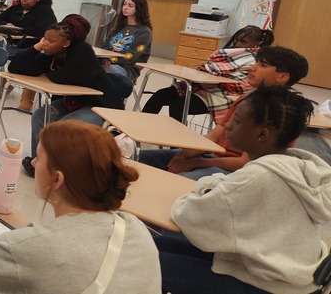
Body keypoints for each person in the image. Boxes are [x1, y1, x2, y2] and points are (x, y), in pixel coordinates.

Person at [0, 120, 161, 293]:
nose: (32, 163)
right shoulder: (136, 228)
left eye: (39, 159)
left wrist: (14, 243)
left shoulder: (35, 246)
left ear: (57, 179)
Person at [155, 86, 331, 294]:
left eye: (237, 121)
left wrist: (205, 188)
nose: (228, 125)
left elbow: (188, 215)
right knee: (155, 245)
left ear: (262, 134)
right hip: (288, 276)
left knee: (143, 260)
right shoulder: (294, 166)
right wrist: (215, 188)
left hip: (268, 286)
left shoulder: (257, 178)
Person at [138, 46, 309, 180]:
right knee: (135, 159)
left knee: (179, 181)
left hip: (237, 171)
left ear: (282, 77)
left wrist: (196, 163)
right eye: (256, 62)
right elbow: (213, 137)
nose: (252, 68)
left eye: (262, 65)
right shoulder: (245, 100)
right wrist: (182, 156)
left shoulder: (280, 111)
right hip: (214, 157)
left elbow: (244, 163)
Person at [8, 14, 129, 176]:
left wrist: (48, 74)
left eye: (51, 41)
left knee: (63, 128)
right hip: (75, 102)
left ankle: (56, 167)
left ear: (66, 43)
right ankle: (40, 162)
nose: (46, 43)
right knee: (39, 116)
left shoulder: (82, 50)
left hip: (100, 106)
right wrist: (36, 47)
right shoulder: (51, 54)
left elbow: (67, 76)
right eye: (44, 39)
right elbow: (15, 67)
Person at [142, 25, 274, 122]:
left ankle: (176, 146)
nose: (238, 44)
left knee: (178, 104)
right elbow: (213, 68)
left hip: (222, 95)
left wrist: (210, 71)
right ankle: (137, 128)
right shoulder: (232, 53)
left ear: (257, 44)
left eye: (243, 42)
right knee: (160, 95)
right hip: (206, 88)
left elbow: (242, 84)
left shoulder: (252, 58)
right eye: (237, 40)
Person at [0, 0, 58, 110]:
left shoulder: (44, 10)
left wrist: (19, 30)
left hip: (33, 48)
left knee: (29, 64)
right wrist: (7, 24)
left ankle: (26, 98)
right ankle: (3, 82)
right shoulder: (16, 8)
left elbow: (42, 30)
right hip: (12, 44)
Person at [101, 0, 153, 83]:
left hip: (126, 69)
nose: (125, 7)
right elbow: (104, 48)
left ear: (139, 9)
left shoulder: (144, 32)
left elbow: (130, 55)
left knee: (96, 70)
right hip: (108, 63)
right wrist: (104, 60)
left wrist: (108, 59)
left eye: (130, 6)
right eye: (124, 4)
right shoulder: (118, 27)